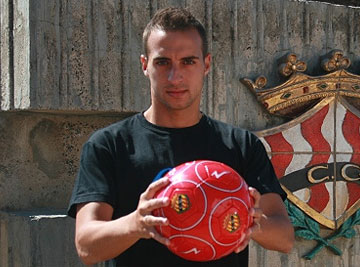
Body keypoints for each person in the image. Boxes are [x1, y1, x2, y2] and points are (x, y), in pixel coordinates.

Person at [67, 7, 294, 267]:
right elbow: (86, 246)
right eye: (163, 62)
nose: (175, 77)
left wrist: (250, 220)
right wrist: (137, 222)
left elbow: (285, 238)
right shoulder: (109, 145)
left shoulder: (241, 146)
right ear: (145, 65)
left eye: (188, 61)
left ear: (206, 64)